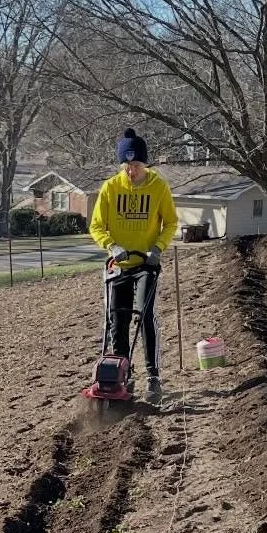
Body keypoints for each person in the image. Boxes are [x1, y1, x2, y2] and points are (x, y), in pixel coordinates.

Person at [88, 128, 179, 404]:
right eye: (126, 166)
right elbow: (96, 226)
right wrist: (111, 246)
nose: (131, 171)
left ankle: (153, 376)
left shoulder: (158, 187)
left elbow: (171, 223)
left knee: (146, 315)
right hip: (119, 264)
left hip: (146, 264)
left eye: (136, 165)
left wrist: (157, 248)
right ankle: (123, 374)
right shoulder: (111, 188)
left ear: (145, 164)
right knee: (117, 320)